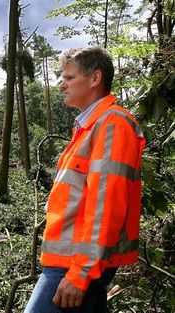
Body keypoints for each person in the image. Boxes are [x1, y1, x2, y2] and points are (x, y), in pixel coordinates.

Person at [24, 47, 145, 313]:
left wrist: (81, 273)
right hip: (71, 261)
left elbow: (106, 208)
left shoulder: (112, 126)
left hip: (75, 265)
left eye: (69, 77)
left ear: (94, 78)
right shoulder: (89, 128)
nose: (61, 85)